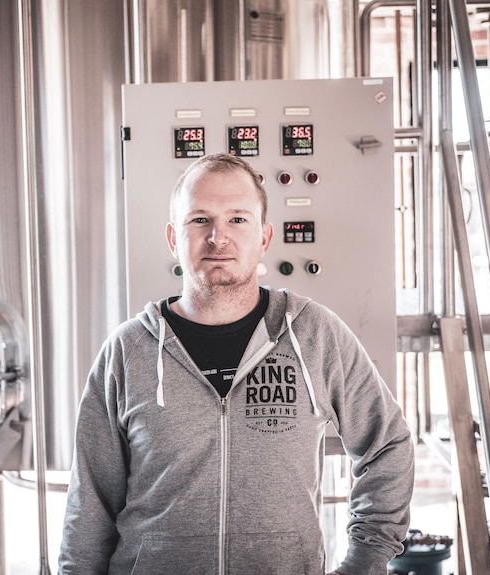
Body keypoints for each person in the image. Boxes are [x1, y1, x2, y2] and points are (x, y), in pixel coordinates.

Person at [58, 153, 414, 574]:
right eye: (200, 219)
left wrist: (365, 561)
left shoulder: (315, 334)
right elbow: (90, 502)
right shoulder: (127, 350)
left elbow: (388, 445)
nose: (218, 238)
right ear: (174, 237)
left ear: (264, 237)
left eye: (238, 220)